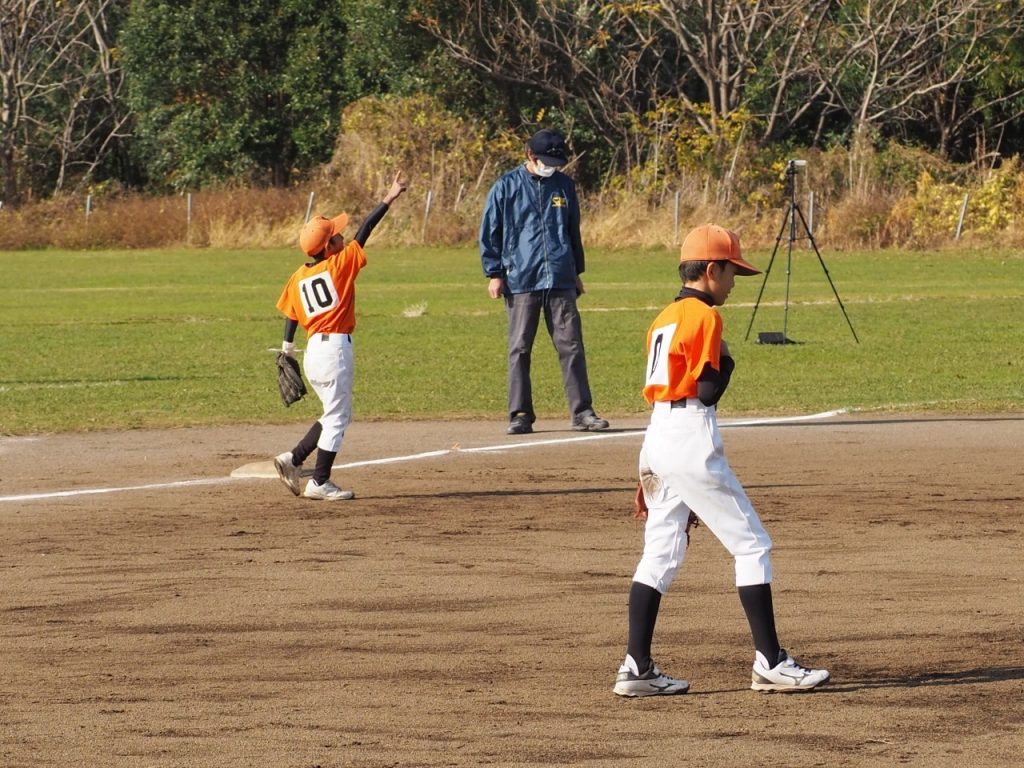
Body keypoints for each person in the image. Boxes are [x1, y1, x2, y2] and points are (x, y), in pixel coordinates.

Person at [612, 223, 830, 696]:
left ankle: (636, 668)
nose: (734, 282)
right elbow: (708, 390)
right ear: (711, 270)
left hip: (657, 436)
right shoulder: (705, 318)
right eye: (732, 272)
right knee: (752, 546)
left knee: (660, 552)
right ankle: (771, 662)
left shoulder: (663, 317)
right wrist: (728, 359)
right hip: (689, 436)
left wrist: (655, 470)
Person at [272, 173, 408, 501]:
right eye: (335, 236)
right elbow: (366, 230)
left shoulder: (299, 276)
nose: (342, 236)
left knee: (333, 413)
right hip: (334, 351)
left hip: (312, 354)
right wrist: (389, 198)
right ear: (327, 248)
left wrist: (287, 349)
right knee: (337, 418)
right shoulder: (338, 266)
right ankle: (319, 482)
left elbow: (292, 313)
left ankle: (292, 459)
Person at [480, 128, 610, 436]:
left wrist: (576, 273)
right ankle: (520, 413)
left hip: (561, 277)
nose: (551, 167)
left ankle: (582, 412)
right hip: (521, 278)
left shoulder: (565, 186)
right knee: (520, 348)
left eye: (556, 162)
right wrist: (494, 273)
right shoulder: (506, 186)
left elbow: (572, 231)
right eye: (546, 161)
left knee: (572, 346)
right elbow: (490, 232)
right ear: (530, 155)